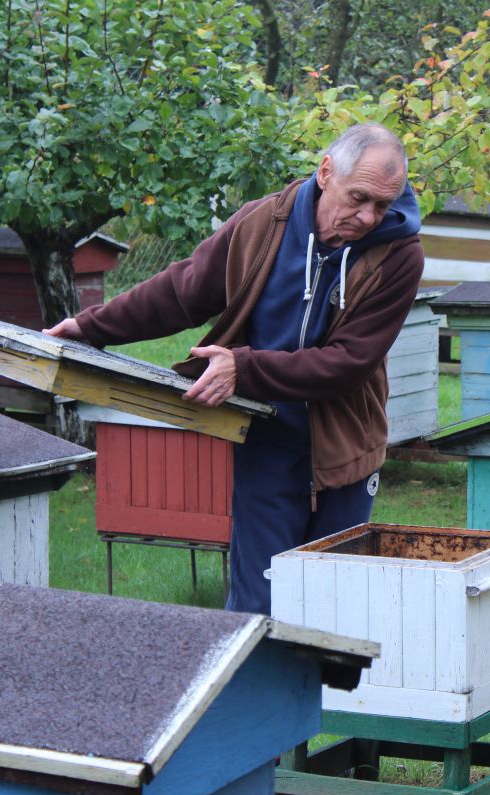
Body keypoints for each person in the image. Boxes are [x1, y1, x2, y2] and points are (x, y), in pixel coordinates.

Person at [44, 123, 425, 614]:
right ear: (326, 172)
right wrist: (90, 326)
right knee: (257, 606)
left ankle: (324, 694)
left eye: (382, 205)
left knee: (335, 610)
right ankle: (250, 691)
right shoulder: (263, 224)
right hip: (266, 440)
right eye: (359, 198)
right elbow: (183, 290)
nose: (369, 216)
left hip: (347, 449)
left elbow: (348, 364)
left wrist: (242, 368)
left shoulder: (400, 256)